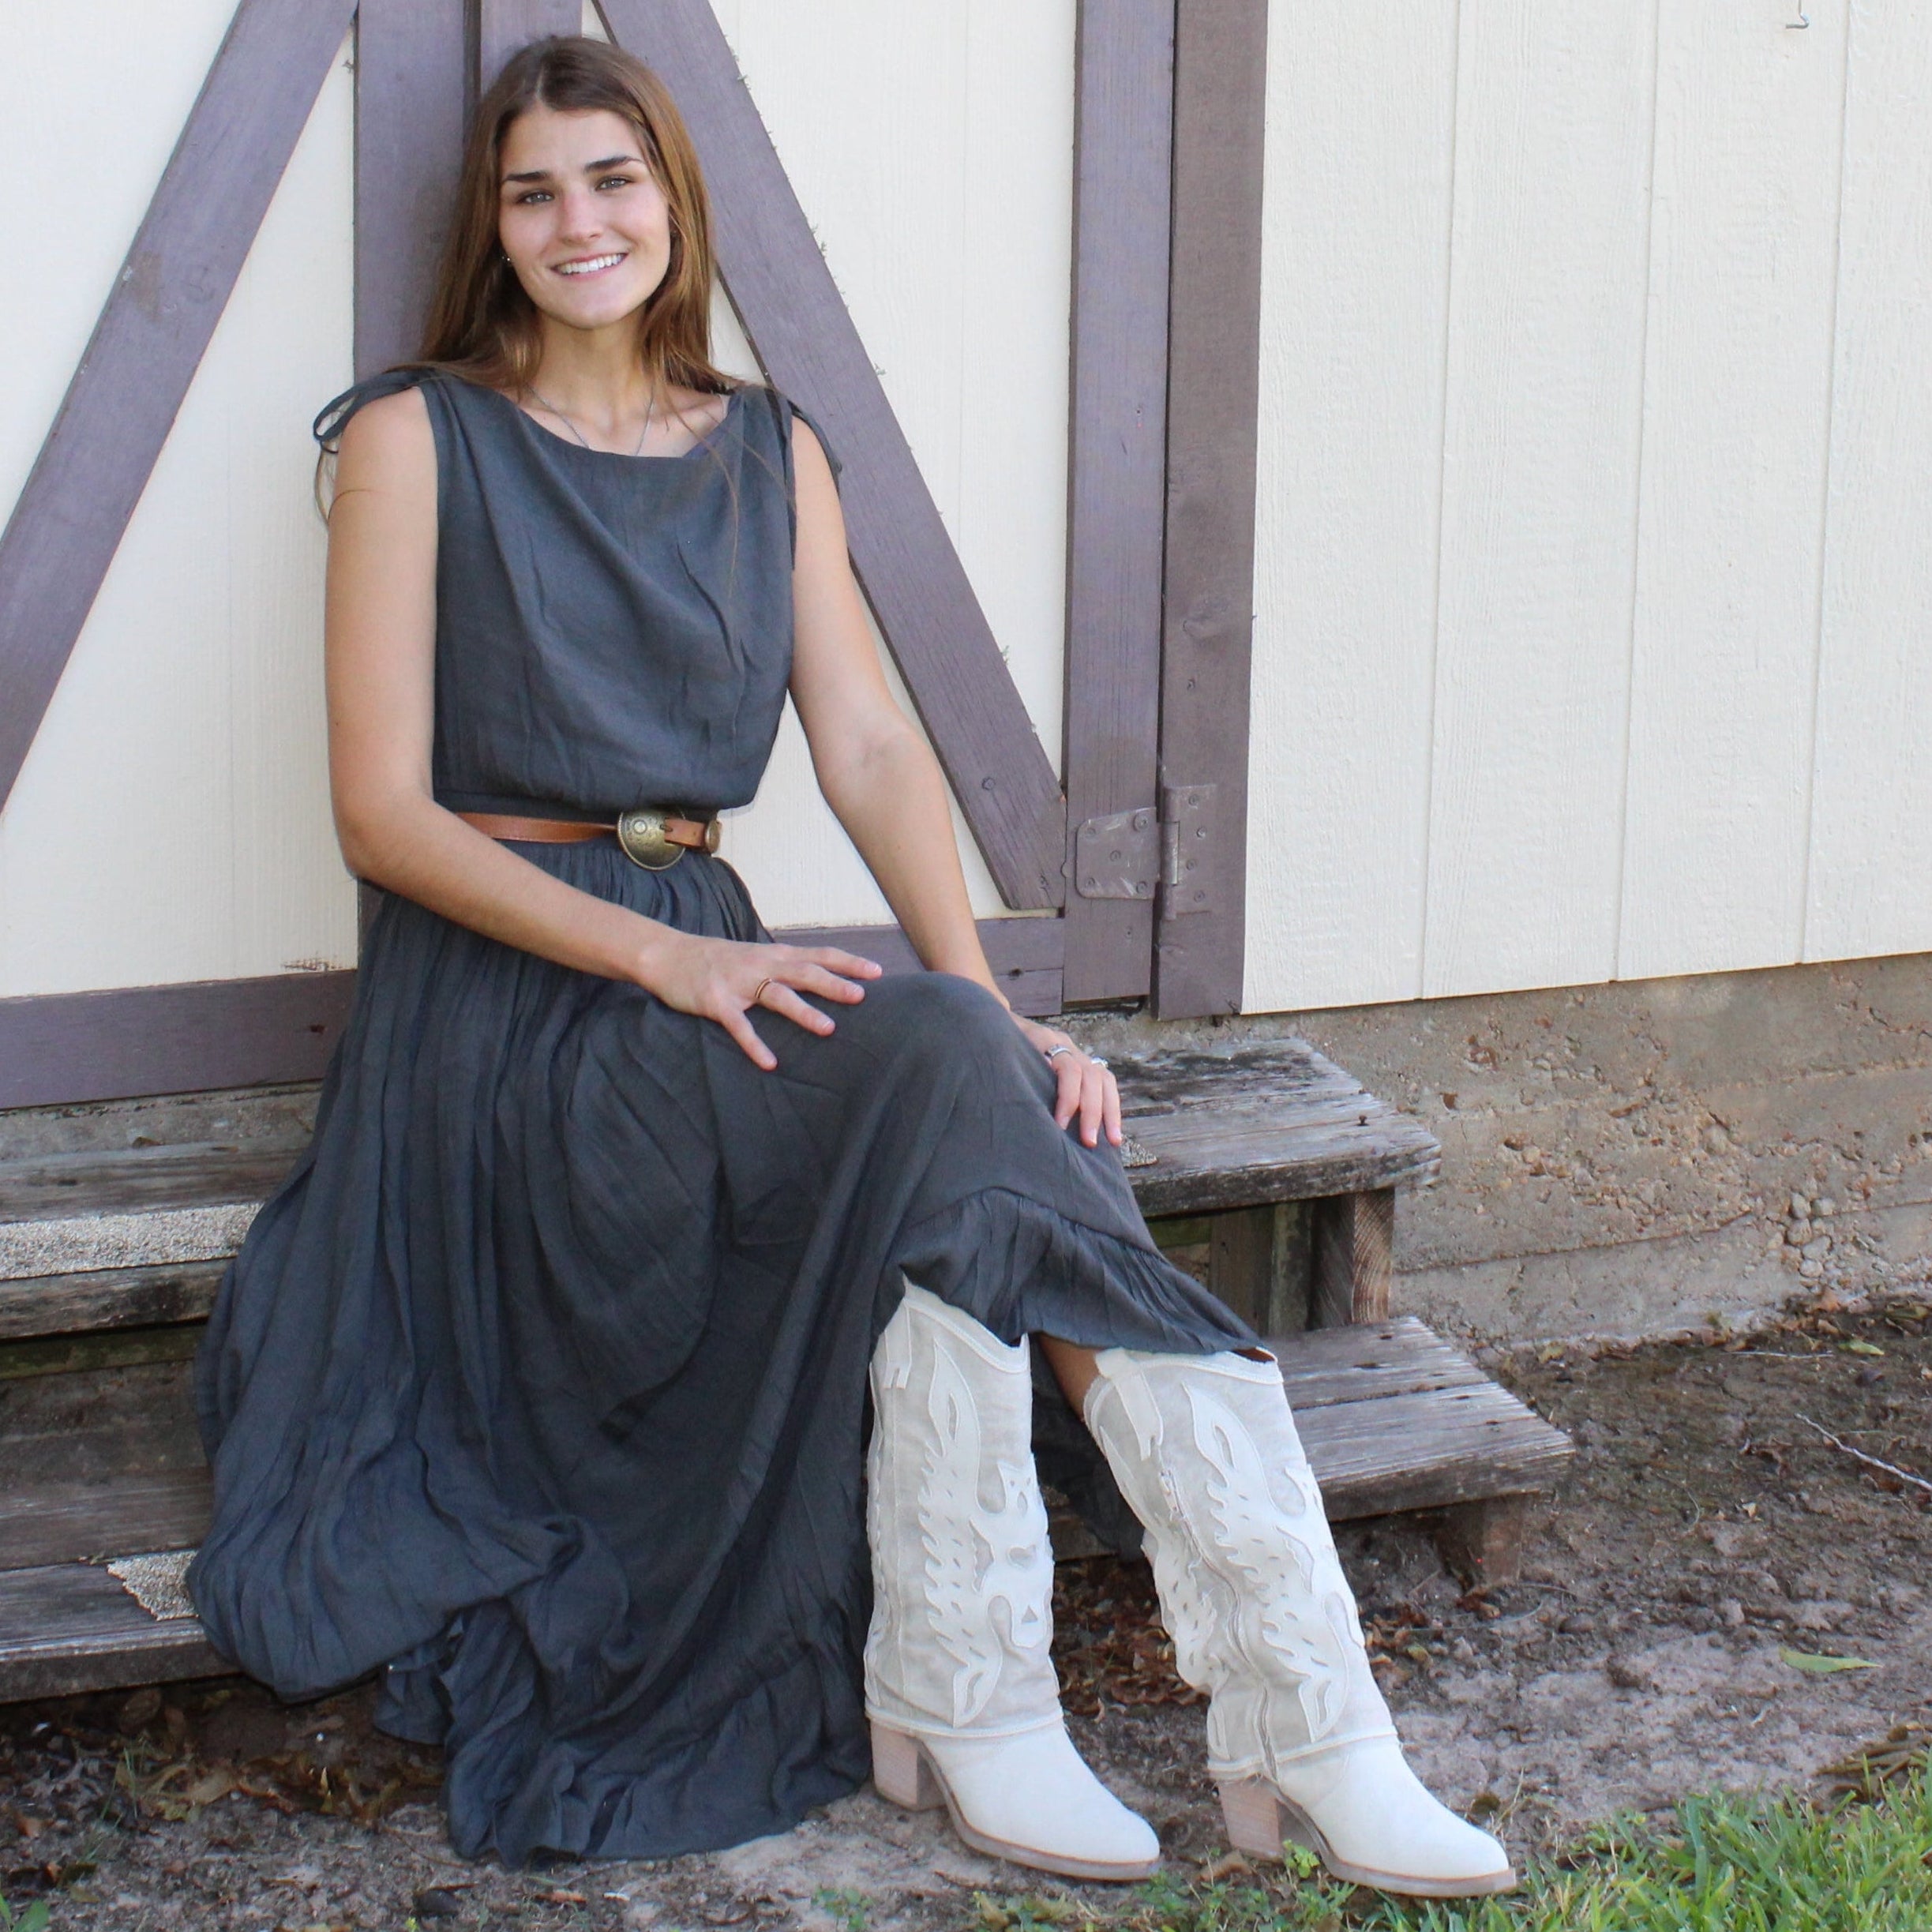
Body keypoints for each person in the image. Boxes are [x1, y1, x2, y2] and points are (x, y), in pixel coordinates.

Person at [189, 35, 1512, 1898]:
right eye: (537, 190)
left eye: (616, 178)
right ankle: (1125, 1712)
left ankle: (1252, 1708)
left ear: (676, 202)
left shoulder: (767, 447)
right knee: (938, 1112)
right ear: (493, 229)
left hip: (711, 978)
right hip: (507, 1009)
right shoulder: (417, 437)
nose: (583, 221)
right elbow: (385, 819)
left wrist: (972, 985)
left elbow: (875, 743)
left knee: (962, 1080)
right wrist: (660, 961)